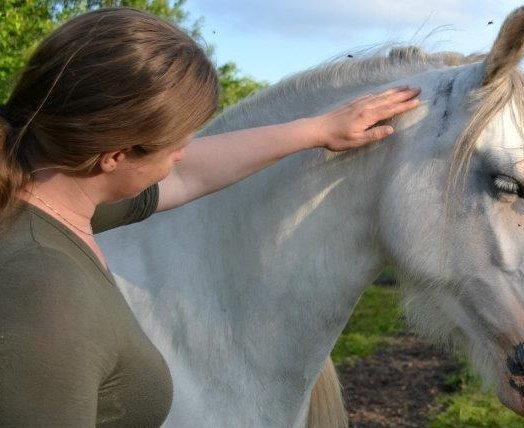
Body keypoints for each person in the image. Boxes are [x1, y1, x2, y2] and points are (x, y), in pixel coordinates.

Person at [0, 7, 421, 427]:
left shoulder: (49, 192)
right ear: (115, 156)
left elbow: (186, 174)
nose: (186, 151)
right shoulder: (46, 294)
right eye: (178, 143)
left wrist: (319, 130)